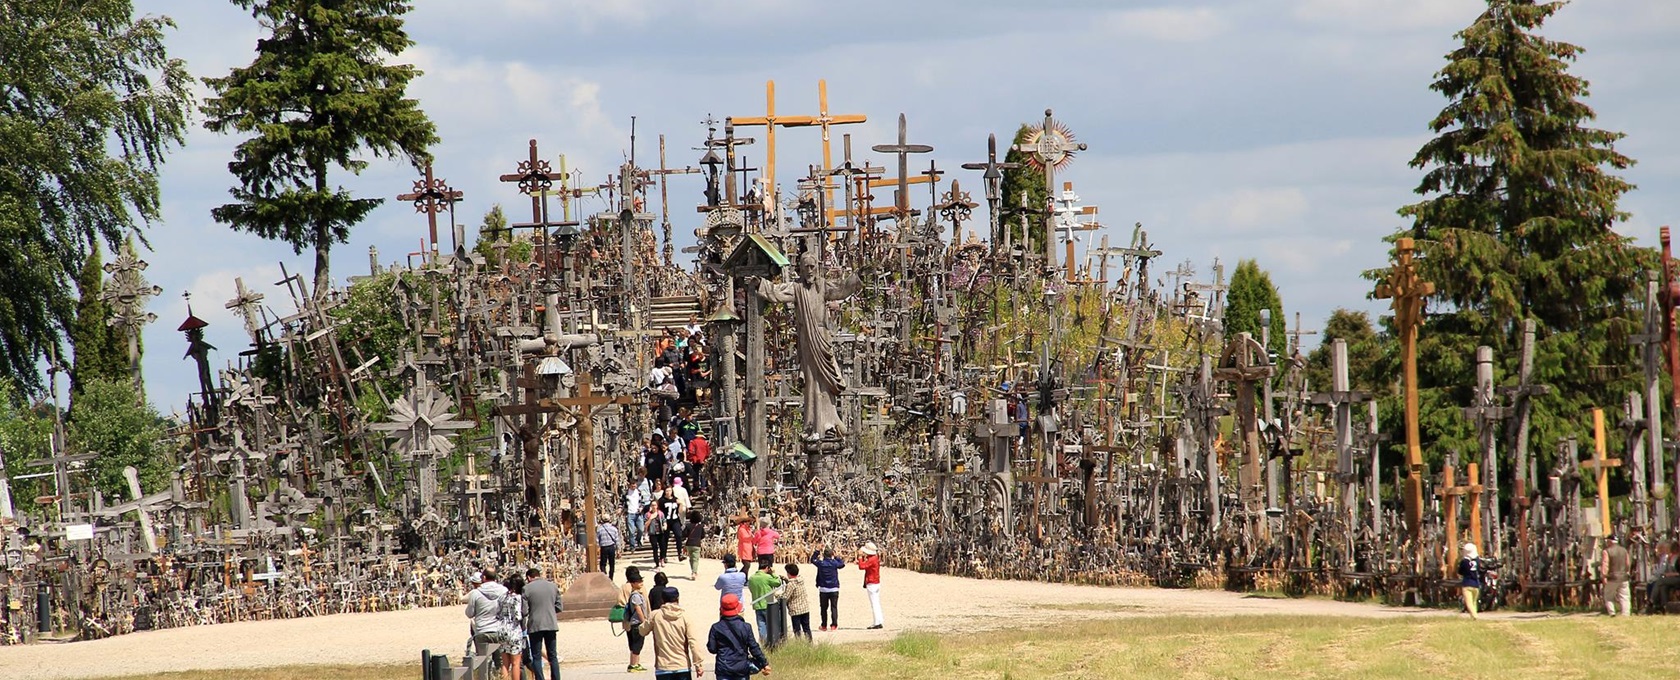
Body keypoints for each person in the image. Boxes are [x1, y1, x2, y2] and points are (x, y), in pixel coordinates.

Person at [638, 586, 706, 680]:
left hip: (663, 666)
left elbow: (642, 631)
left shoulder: (655, 615)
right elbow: (693, 641)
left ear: (662, 599)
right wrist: (698, 664)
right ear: (678, 598)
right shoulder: (685, 616)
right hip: (682, 665)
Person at [708, 594, 770, 680]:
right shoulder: (746, 627)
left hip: (723, 667)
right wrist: (764, 663)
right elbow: (754, 647)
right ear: (737, 609)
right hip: (741, 668)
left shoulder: (716, 627)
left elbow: (712, 649)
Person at [523, 566, 562, 680]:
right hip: (550, 623)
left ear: (529, 578)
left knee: (536, 656)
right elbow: (559, 607)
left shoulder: (526, 589)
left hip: (535, 624)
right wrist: (549, 610)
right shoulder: (553, 586)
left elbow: (524, 611)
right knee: (552, 655)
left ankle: (540, 678)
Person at [465, 567, 510, 660]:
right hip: (499, 629)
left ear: (484, 578)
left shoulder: (476, 593)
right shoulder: (504, 591)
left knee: (483, 662)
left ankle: (485, 675)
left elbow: (469, 614)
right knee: (500, 661)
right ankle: (499, 674)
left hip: (482, 629)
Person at [496, 574, 527, 680]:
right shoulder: (517, 598)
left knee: (504, 663)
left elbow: (497, 613)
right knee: (515, 663)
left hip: (501, 629)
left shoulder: (502, 597)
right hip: (513, 630)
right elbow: (518, 616)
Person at [621, 567, 651, 673]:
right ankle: (634, 664)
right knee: (637, 643)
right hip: (637, 620)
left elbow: (620, 602)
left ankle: (635, 663)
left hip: (628, 620)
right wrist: (645, 620)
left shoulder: (623, 587)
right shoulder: (640, 590)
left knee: (633, 642)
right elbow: (643, 605)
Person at [747, 562, 783, 641]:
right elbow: (778, 583)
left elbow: (750, 588)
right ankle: (773, 642)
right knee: (772, 625)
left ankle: (764, 643)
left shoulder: (751, 578)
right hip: (768, 605)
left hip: (757, 605)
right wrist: (773, 573)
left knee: (761, 626)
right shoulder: (767, 577)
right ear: (767, 568)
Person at [812, 548, 845, 631]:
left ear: (823, 555)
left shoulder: (821, 563)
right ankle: (834, 625)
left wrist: (817, 551)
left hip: (823, 588)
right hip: (834, 588)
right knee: (834, 607)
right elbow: (842, 564)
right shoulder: (834, 563)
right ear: (831, 555)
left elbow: (812, 560)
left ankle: (824, 625)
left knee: (823, 608)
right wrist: (836, 556)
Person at [1604, 534, 1632, 616]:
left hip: (1612, 577)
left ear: (1609, 541)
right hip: (1623, 577)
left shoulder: (1607, 551)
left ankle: (1612, 612)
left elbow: (1605, 564)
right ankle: (1626, 613)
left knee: (1609, 596)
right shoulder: (1624, 550)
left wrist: (1604, 576)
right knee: (1625, 596)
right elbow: (1627, 564)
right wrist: (1627, 572)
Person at [782, 564, 811, 641]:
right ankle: (809, 643)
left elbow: (785, 597)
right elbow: (794, 580)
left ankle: (799, 644)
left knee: (797, 630)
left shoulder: (791, 585)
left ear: (788, 573)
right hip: (805, 608)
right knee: (806, 628)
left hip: (796, 610)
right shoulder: (801, 580)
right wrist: (786, 580)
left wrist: (776, 595)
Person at [858, 542, 883, 629]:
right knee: (876, 602)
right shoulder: (874, 558)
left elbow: (861, 566)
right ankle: (879, 620)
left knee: (874, 603)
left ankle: (876, 622)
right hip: (876, 582)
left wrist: (860, 557)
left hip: (872, 582)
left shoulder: (872, 559)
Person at [1458, 542, 1483, 619]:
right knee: (1474, 602)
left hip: (1467, 584)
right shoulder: (1477, 560)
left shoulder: (1464, 561)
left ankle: (1475, 616)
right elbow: (1479, 570)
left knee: (1469, 603)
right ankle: (1474, 616)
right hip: (1476, 584)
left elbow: (1460, 571)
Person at [626, 477, 649, 552]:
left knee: (641, 529)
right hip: (630, 513)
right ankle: (632, 546)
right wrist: (621, 508)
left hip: (638, 513)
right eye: (632, 485)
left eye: (635, 485)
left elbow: (643, 502)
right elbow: (622, 502)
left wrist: (641, 508)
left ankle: (638, 539)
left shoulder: (639, 492)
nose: (634, 486)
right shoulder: (626, 493)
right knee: (631, 531)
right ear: (629, 485)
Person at [598, 515, 624, 580]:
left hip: (603, 547)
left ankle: (604, 575)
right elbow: (617, 540)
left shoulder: (599, 529)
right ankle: (611, 577)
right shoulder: (614, 529)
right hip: (611, 547)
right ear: (610, 520)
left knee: (603, 563)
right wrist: (618, 550)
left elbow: (597, 540)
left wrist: (598, 548)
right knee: (612, 563)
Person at [649, 496, 670, 569]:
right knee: (654, 548)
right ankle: (657, 563)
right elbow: (645, 524)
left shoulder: (660, 513)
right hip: (652, 533)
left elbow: (664, 520)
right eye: (652, 505)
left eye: (655, 505)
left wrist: (665, 525)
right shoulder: (648, 514)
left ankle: (662, 559)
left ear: (657, 506)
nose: (654, 506)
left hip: (660, 532)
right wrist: (650, 518)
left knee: (662, 547)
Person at [684, 510, 706, 580]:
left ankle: (693, 571)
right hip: (697, 544)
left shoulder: (688, 526)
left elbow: (684, 534)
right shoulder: (700, 526)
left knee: (691, 559)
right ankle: (694, 572)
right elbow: (703, 535)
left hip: (689, 544)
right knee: (695, 559)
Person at [733, 511, 756, 578]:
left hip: (748, 548)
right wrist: (752, 537)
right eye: (748, 521)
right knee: (747, 565)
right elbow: (745, 538)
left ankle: (743, 578)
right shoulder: (741, 529)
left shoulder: (747, 529)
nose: (749, 523)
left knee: (747, 565)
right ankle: (741, 577)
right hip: (744, 548)